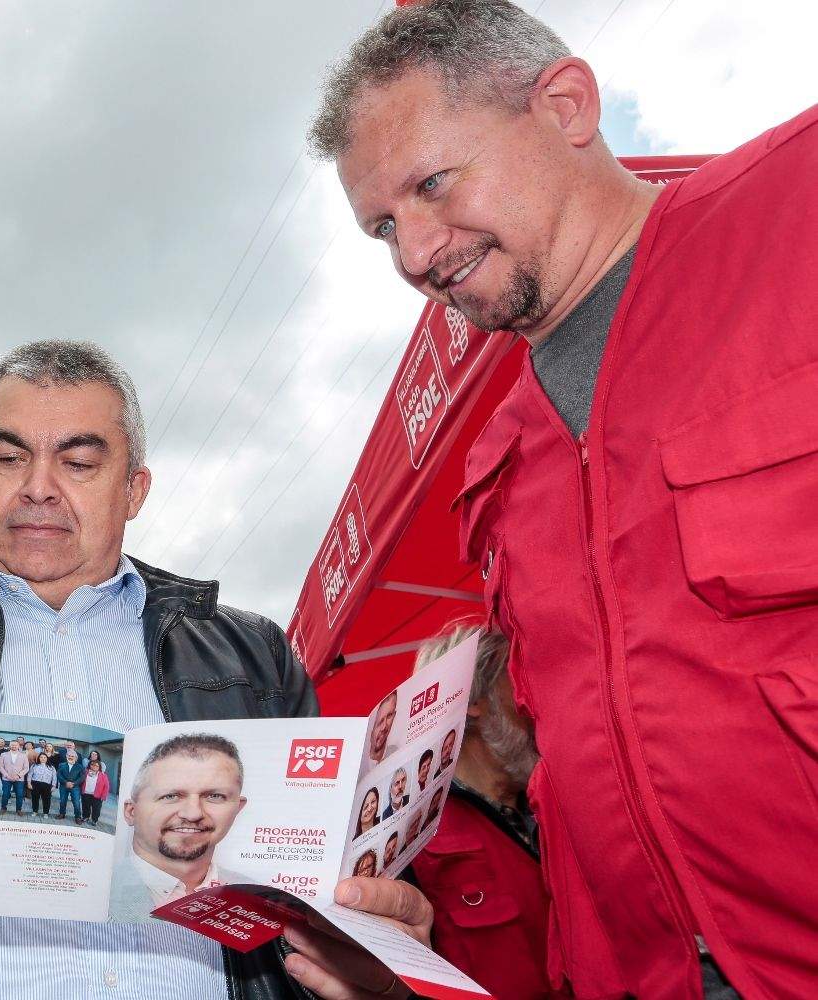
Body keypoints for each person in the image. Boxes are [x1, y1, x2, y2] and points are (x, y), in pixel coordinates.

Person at [311, 0, 818, 994]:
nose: (414, 256)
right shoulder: (499, 467)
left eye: (432, 184)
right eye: (383, 227)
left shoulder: (796, 211)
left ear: (566, 104)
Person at [0, 341, 429, 1000]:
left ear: (135, 490)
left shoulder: (256, 657)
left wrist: (378, 949)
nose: (37, 487)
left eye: (79, 463)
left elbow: (347, 878)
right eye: (8, 458)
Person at [406, 625, 562, 1000]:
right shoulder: (413, 836)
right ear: (473, 700)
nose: (533, 703)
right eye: (520, 682)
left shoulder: (558, 807)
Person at [108, 733, 254, 919]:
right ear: (131, 811)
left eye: (215, 796)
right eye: (170, 796)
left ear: (237, 808)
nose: (193, 814)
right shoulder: (93, 889)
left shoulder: (262, 900)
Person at [0, 738, 31, 815]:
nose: (14, 746)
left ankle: (18, 810)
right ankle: (3, 808)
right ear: (9, 746)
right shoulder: (3, 755)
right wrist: (6, 775)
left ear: (18, 746)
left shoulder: (23, 755)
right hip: (6, 778)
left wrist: (19, 776)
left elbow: (26, 768)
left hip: (19, 779)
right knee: (5, 794)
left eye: (15, 745)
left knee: (19, 795)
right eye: (12, 745)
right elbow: (0, 766)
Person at [365, 691, 399, 766]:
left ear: (394, 715)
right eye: (380, 722)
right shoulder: (361, 765)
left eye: (389, 716)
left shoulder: (396, 753)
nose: (384, 727)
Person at [55, 748, 86, 822]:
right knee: (62, 801)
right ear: (66, 756)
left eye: (72, 756)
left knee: (76, 802)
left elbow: (82, 777)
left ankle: (77, 817)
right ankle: (62, 814)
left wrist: (74, 783)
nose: (70, 757)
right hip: (63, 785)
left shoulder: (80, 766)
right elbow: (59, 775)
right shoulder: (61, 765)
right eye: (69, 755)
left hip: (75, 786)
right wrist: (66, 782)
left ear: (76, 757)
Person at [81, 758, 112, 827]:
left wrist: (104, 796)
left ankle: (94, 820)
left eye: (97, 765)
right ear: (90, 765)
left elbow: (106, 786)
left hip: (97, 796)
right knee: (85, 807)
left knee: (96, 809)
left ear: (99, 767)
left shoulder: (103, 775)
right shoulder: (85, 772)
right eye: (92, 765)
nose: (94, 766)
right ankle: (85, 817)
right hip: (86, 793)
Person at [28, 751, 58, 816]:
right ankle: (35, 811)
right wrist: (29, 783)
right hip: (35, 784)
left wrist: (54, 786)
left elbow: (54, 777)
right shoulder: (34, 765)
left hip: (47, 785)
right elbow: (30, 775)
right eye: (41, 757)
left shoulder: (51, 767)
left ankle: (46, 813)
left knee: (46, 800)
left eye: (44, 757)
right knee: (35, 798)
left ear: (47, 758)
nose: (43, 758)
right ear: (39, 758)